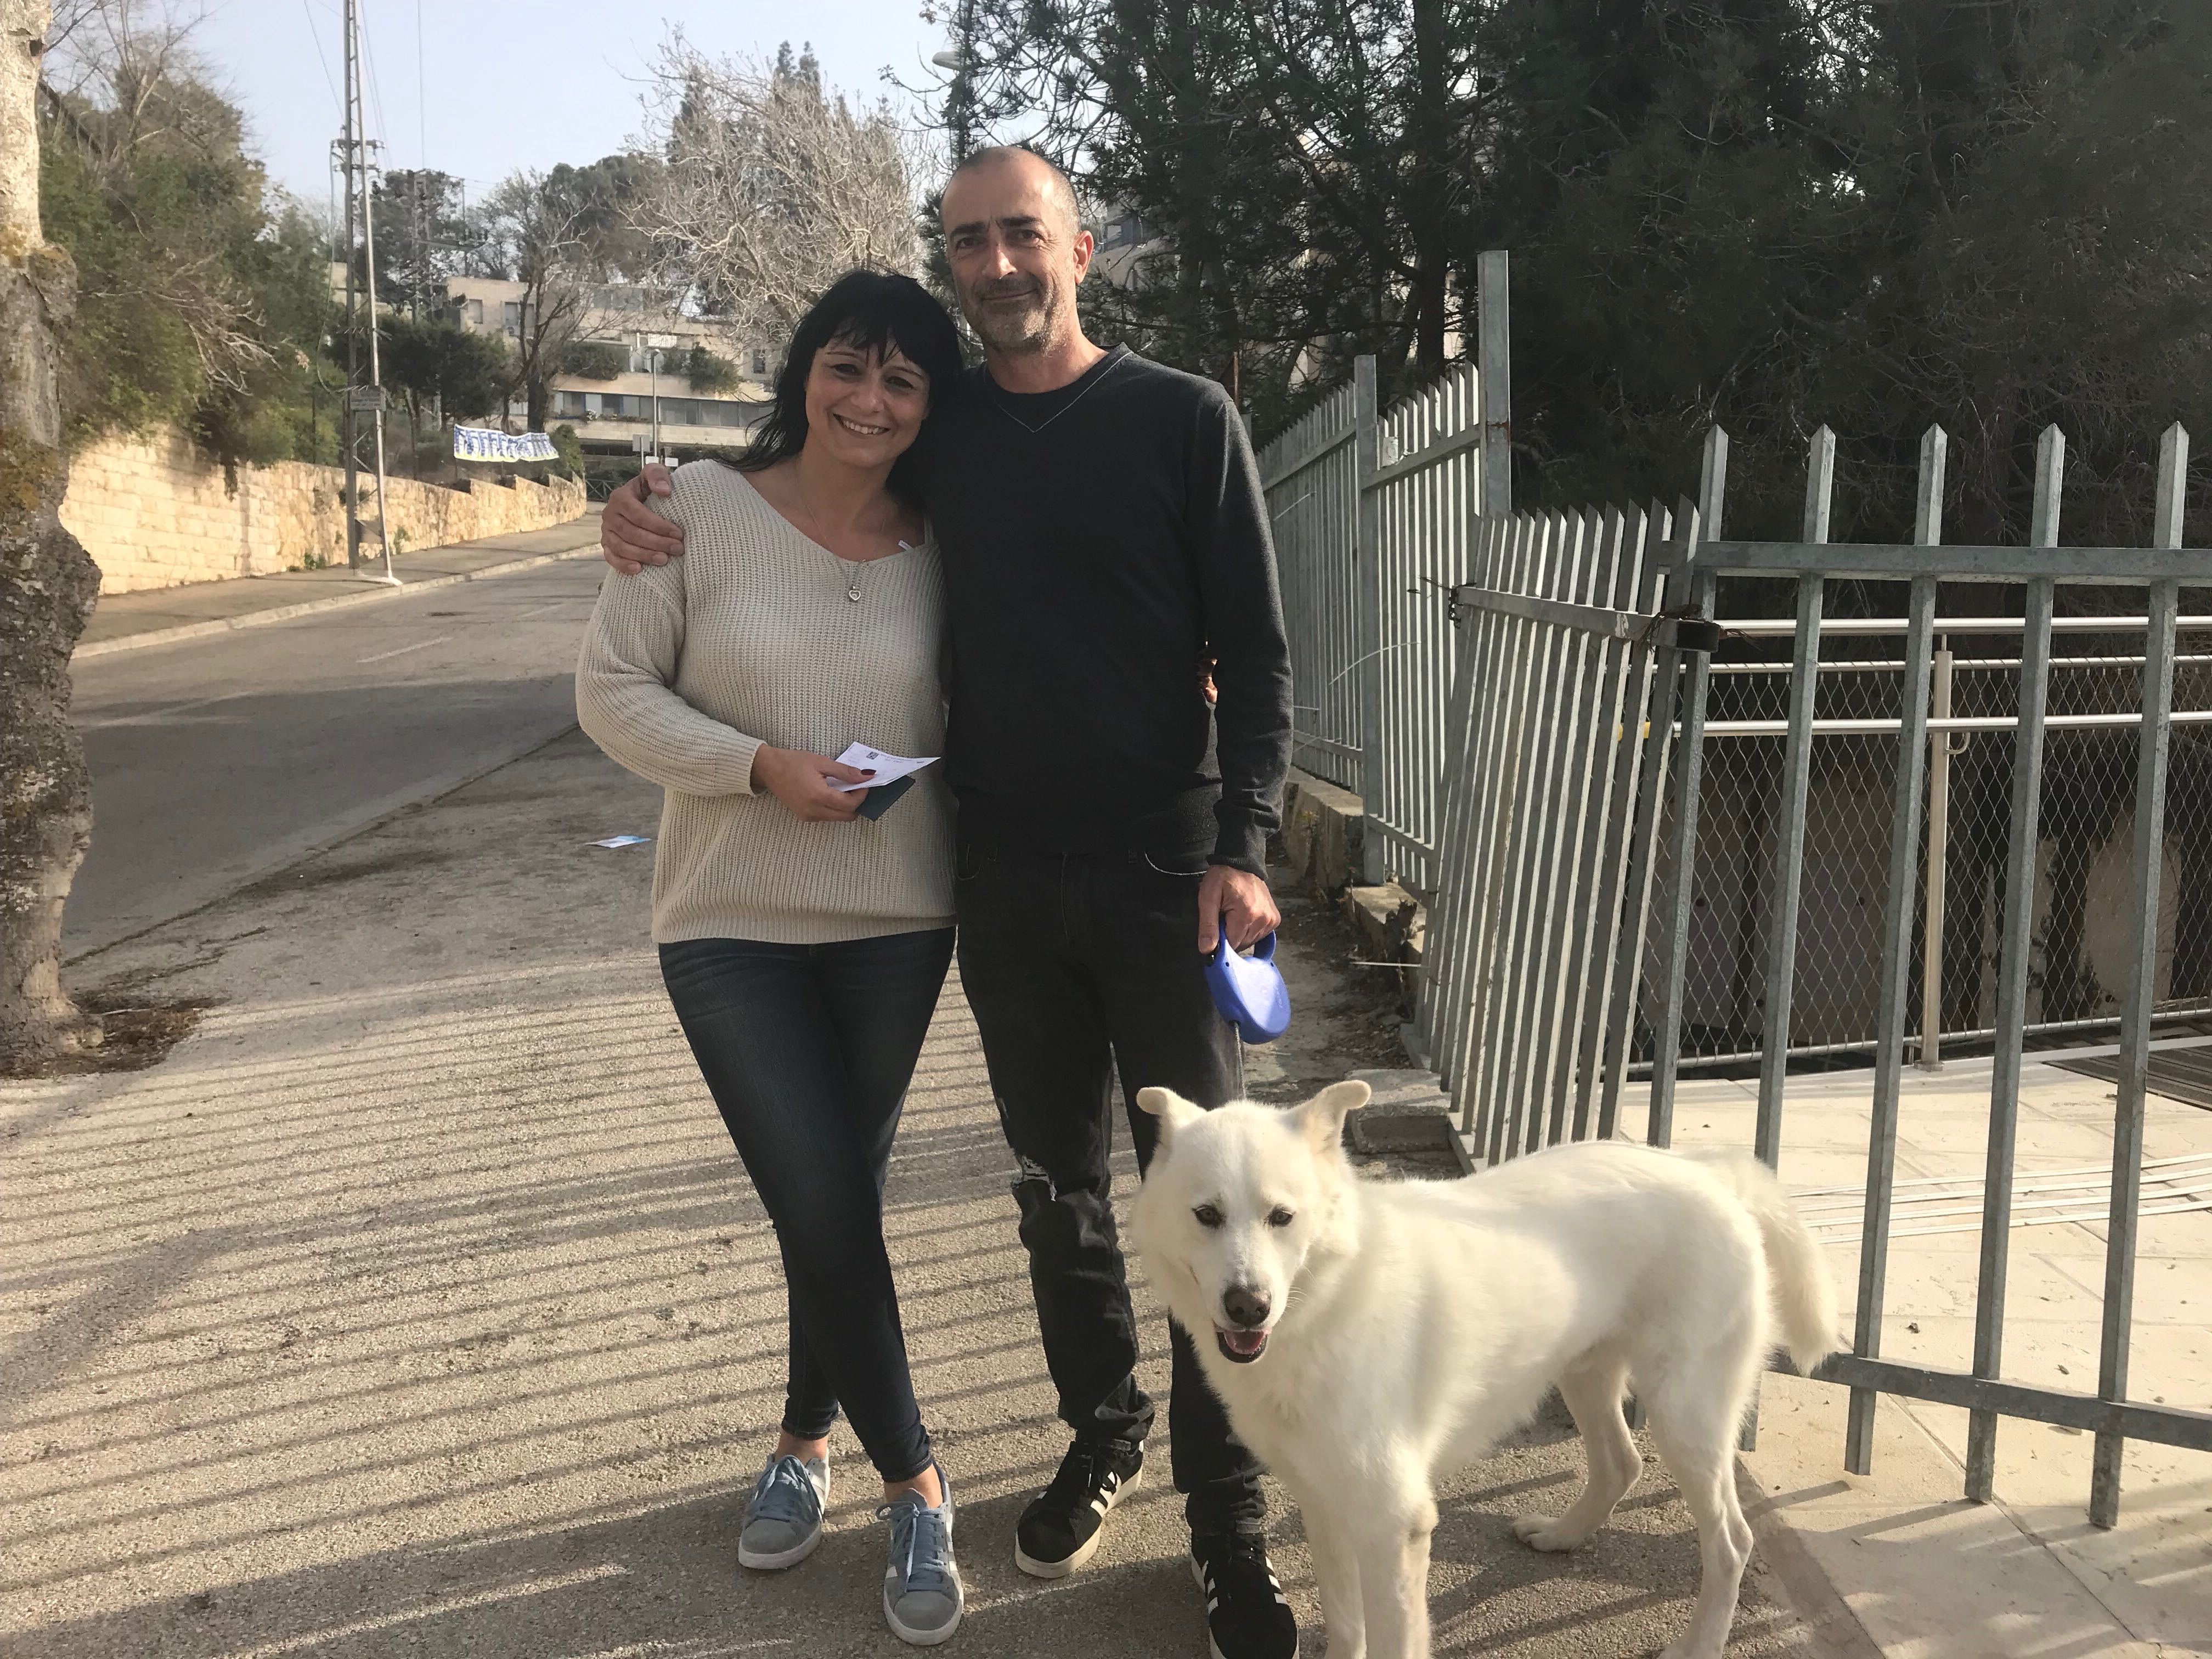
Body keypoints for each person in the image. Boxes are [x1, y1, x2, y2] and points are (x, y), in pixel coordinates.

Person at [600, 148, 1297, 1659]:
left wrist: (1247, 842)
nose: (994, 265)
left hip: (1169, 878)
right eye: (968, 241)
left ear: (1081, 251)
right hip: (996, 878)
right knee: (1057, 1195)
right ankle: (1101, 1432)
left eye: (1020, 236)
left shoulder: (1186, 420)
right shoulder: (940, 424)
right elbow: (800, 486)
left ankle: (1230, 1527)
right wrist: (640, 505)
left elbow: (1259, 652)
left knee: (1210, 1203)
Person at [574, 269, 969, 1648]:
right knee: (819, 1194)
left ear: (934, 405)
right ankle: (917, 1479)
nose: (870, 400)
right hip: (729, 916)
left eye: (904, 380)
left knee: (835, 1204)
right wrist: (754, 766)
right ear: (806, 371)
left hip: (897, 922)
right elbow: (611, 692)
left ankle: (802, 1441)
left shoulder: (950, 537)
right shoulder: (692, 510)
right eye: (847, 367)